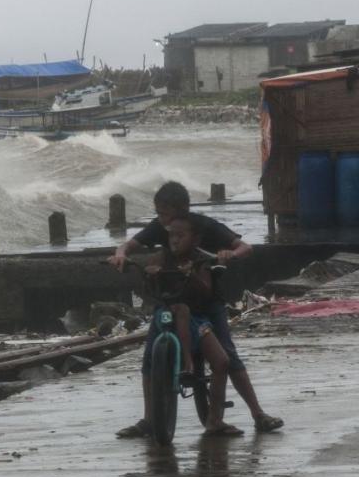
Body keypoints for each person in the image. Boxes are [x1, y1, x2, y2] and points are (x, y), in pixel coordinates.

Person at [108, 181, 283, 437]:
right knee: (149, 358)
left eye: (166, 214)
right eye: (159, 215)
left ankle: (257, 414)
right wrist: (121, 255)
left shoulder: (204, 227)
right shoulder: (160, 227)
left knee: (228, 356)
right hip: (172, 301)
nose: (164, 224)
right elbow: (128, 246)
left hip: (206, 303)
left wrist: (229, 255)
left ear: (183, 210)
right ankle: (149, 420)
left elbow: (245, 247)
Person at [144, 214, 235, 435]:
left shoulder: (200, 260)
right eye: (171, 236)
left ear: (195, 239)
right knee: (149, 360)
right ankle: (186, 365)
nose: (175, 240)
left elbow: (206, 290)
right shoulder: (160, 257)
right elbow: (149, 289)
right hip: (166, 316)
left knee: (222, 362)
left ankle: (215, 420)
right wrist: (151, 275)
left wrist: (192, 275)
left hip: (196, 320)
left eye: (181, 236)